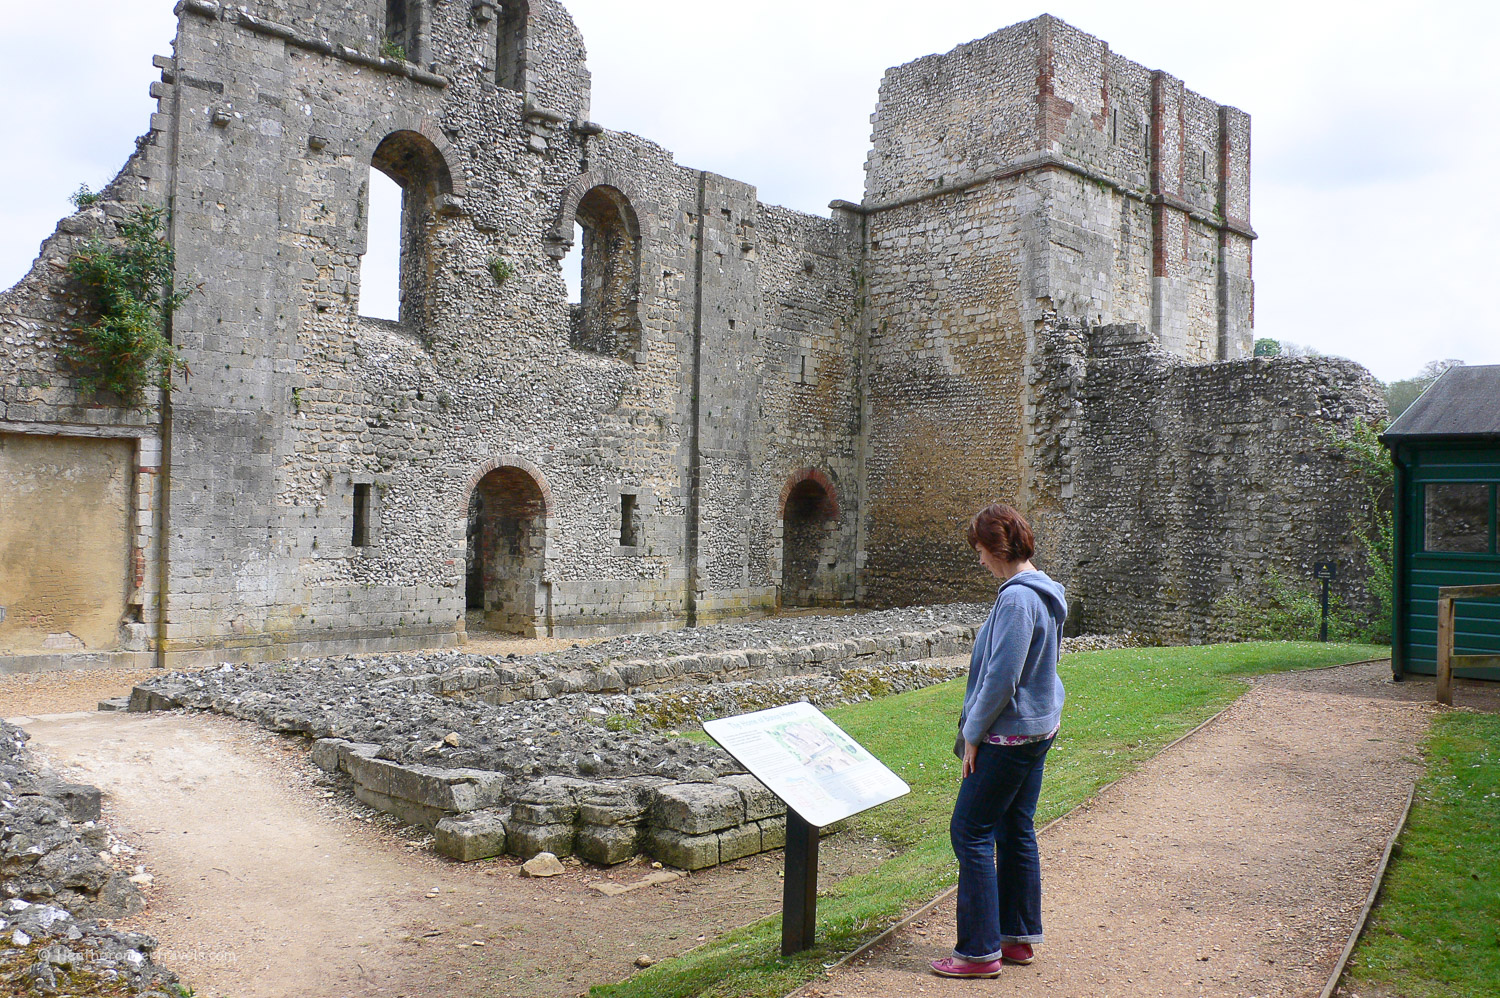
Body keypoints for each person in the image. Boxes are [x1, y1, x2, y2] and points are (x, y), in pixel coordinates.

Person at [930, 503, 1067, 980]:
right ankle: (1016, 937)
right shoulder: (1046, 590)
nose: (980, 560)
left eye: (981, 551)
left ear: (997, 548)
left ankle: (978, 952)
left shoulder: (1016, 600)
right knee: (1015, 827)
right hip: (1037, 729)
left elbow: (1002, 678)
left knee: (969, 830)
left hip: (1009, 736)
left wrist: (973, 734)